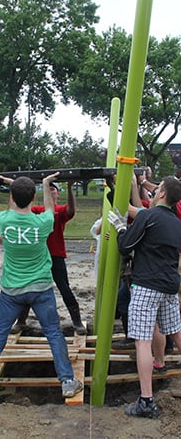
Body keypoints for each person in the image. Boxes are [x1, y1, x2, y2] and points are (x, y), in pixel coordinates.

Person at [0, 173, 83, 398]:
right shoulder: (43, 222)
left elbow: (12, 207)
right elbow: (51, 207)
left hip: (12, 290)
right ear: (34, 197)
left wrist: (12, 186)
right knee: (54, 333)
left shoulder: (5, 220)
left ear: (12, 197)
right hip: (40, 288)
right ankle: (67, 382)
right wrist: (44, 184)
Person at [108, 176, 181, 419]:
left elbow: (125, 246)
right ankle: (146, 398)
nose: (153, 190)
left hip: (147, 285)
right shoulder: (176, 222)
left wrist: (120, 227)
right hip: (169, 285)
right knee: (176, 333)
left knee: (142, 341)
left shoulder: (148, 216)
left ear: (161, 195)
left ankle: (146, 401)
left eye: (157, 187)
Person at [12, 180, 86, 335]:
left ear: (58, 194)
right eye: (48, 188)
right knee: (29, 286)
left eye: (54, 189)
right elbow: (21, 209)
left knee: (64, 288)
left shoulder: (59, 210)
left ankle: (77, 321)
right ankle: (21, 320)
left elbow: (71, 211)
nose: (51, 191)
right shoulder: (37, 210)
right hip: (37, 256)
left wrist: (71, 188)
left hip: (56, 255)